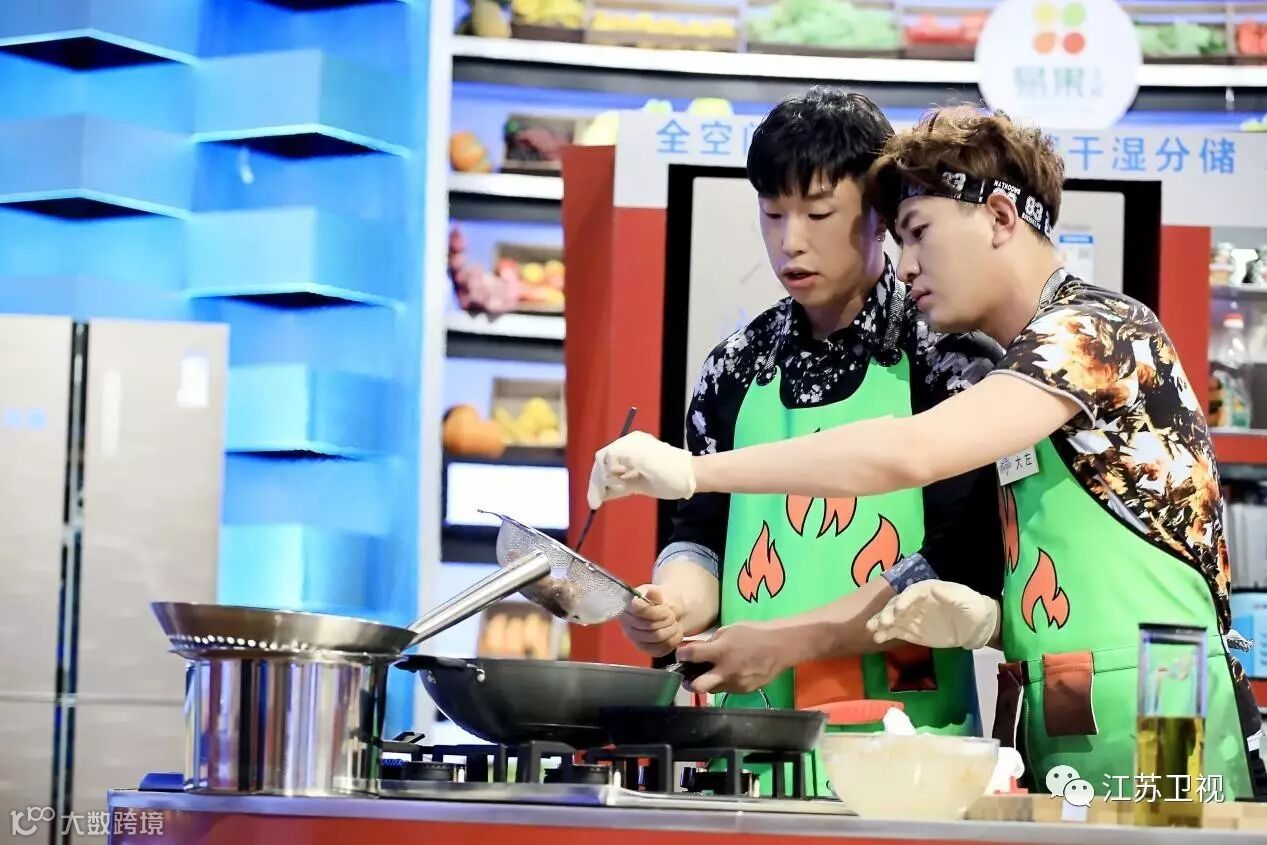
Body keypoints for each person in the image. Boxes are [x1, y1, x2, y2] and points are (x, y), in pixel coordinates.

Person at [590, 105, 1266, 800]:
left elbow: (911, 451)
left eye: (917, 233)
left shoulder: (1096, 330)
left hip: (1163, 691)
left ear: (1000, 216)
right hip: (1057, 707)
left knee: (1170, 838)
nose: (906, 264)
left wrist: (694, 470)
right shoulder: (1019, 363)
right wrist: (991, 622)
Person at [617, 87, 1006, 796]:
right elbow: (700, 535)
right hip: (750, 744)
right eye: (772, 213)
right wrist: (670, 604)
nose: (789, 241)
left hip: (905, 746)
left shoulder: (947, 359)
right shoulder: (735, 364)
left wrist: (787, 640)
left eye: (818, 213)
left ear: (880, 213)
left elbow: (960, 564)